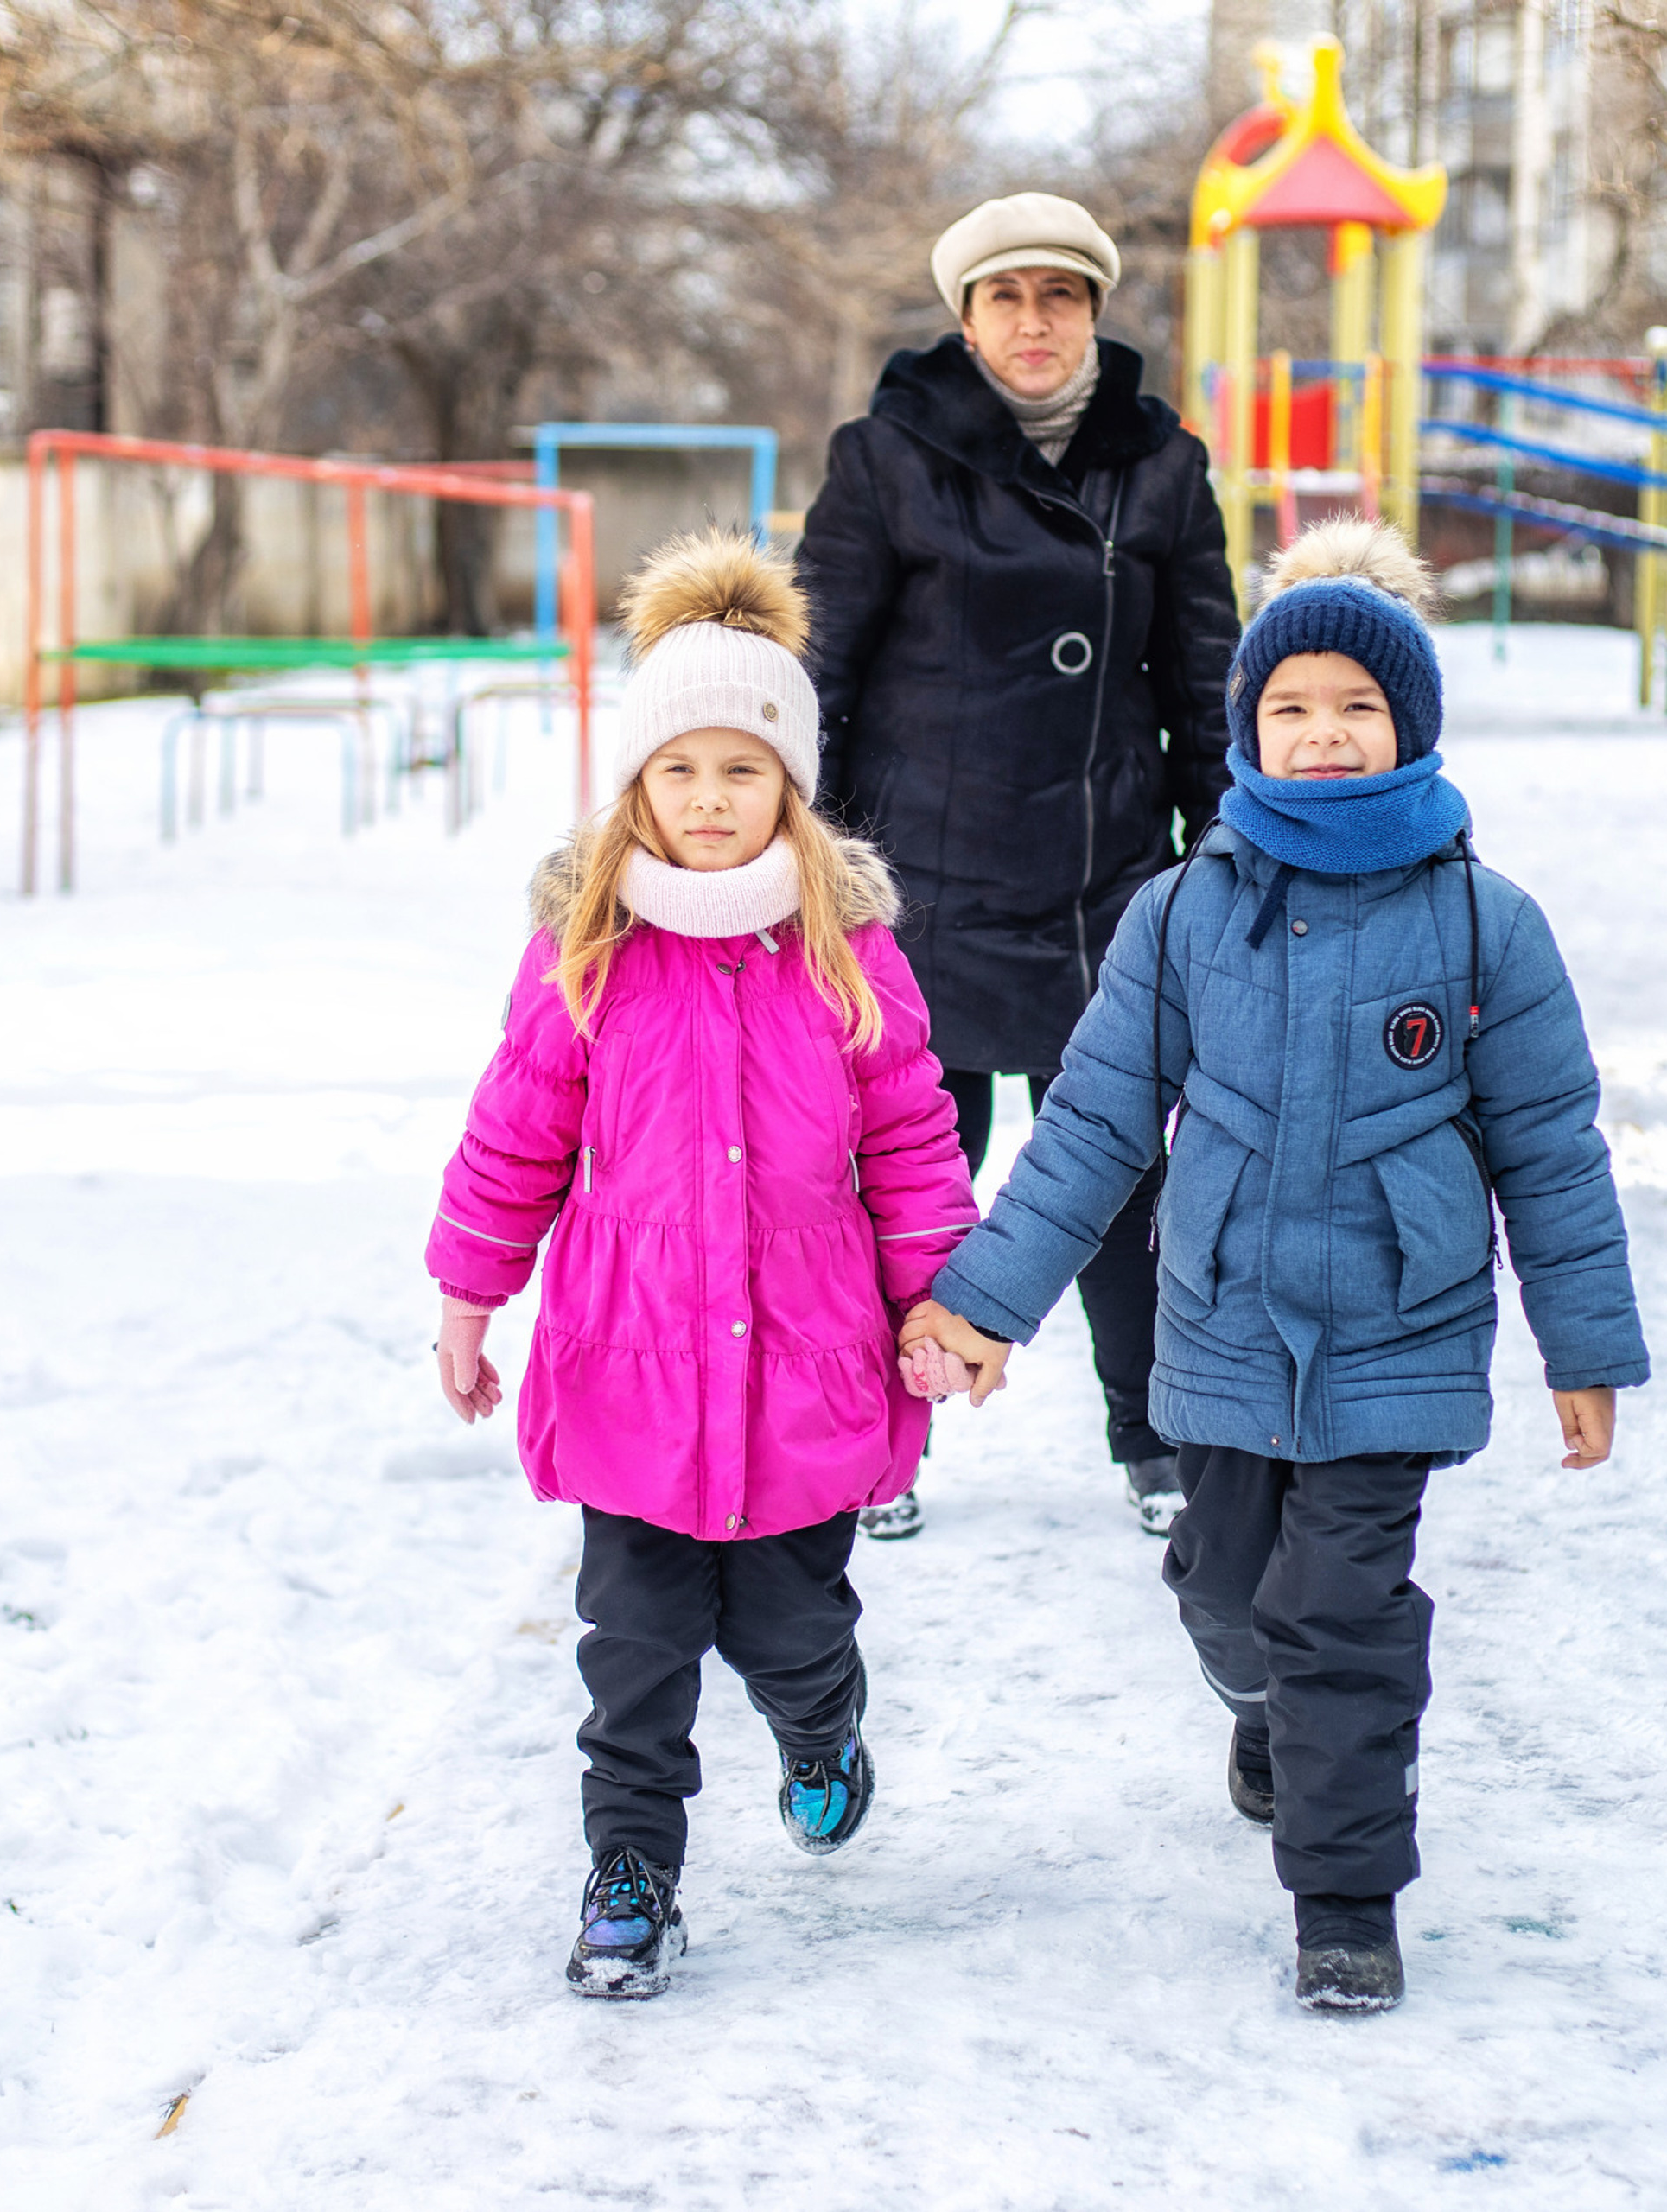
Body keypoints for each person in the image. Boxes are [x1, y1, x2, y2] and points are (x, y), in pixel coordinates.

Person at [901, 518, 1650, 2012]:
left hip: (1400, 1326)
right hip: (1228, 1326)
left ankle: (1347, 1896)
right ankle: (1263, 1708)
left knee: (1347, 1619)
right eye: (1291, 708)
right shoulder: (1179, 917)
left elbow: (1551, 1147)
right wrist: (985, 1305)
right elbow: (1097, 1130)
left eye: (1357, 707)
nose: (1323, 735)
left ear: (1409, 728)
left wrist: (1583, 1346)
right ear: (1247, 729)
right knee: (1230, 1592)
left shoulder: (1487, 924)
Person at [425, 531, 977, 1999]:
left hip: (805, 1363)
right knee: (636, 1653)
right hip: (632, 1369)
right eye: (682, 771)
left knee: (795, 1633)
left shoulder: (843, 947)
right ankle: (631, 1876)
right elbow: (515, 1135)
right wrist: (472, 1293)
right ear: (637, 788)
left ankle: (820, 1728)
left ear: (788, 786)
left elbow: (915, 1136)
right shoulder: (586, 949)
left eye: (743, 771)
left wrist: (944, 1301)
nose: (712, 799)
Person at [800, 191, 1242, 1540]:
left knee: (1113, 1168)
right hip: (915, 879)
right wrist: (788, 853)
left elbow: (1208, 678)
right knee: (906, 1169)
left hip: (1099, 883)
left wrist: (1227, 852)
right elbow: (817, 668)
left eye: (1061, 294)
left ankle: (1151, 1436)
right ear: (967, 314)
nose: (1034, 319)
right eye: (1006, 295)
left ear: (1095, 312)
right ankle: (887, 1439)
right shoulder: (886, 457)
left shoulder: (1162, 466)